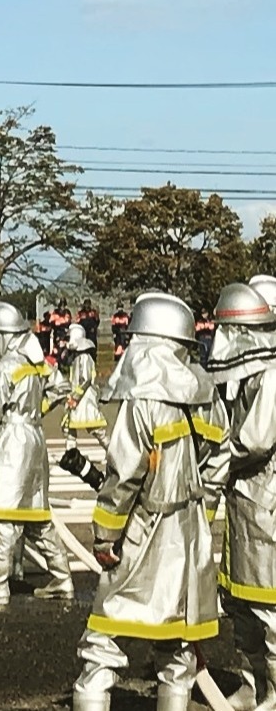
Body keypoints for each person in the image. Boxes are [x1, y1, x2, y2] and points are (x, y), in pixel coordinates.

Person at [73, 292, 219, 711]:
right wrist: (201, 508)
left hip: (144, 527)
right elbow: (218, 455)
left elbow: (124, 476)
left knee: (104, 634)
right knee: (177, 643)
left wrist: (105, 535)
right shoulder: (203, 396)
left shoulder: (142, 403)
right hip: (189, 531)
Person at [0, 301, 74, 606]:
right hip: (34, 437)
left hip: (10, 442)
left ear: (1, 335)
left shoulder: (3, 368)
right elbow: (61, 386)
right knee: (36, 518)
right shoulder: (33, 363)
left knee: (4, 518)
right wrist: (36, 410)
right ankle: (62, 578)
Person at [208, 281, 276, 711]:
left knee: (270, 608)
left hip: (266, 499)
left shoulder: (271, 375)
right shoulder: (251, 370)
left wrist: (210, 457)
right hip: (245, 502)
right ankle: (255, 684)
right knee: (243, 604)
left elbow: (253, 441)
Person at [62, 325, 107, 450]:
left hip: (85, 399)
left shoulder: (84, 357)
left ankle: (112, 452)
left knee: (96, 429)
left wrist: (75, 397)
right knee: (69, 428)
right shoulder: (77, 357)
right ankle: (70, 453)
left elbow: (86, 379)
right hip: (77, 398)